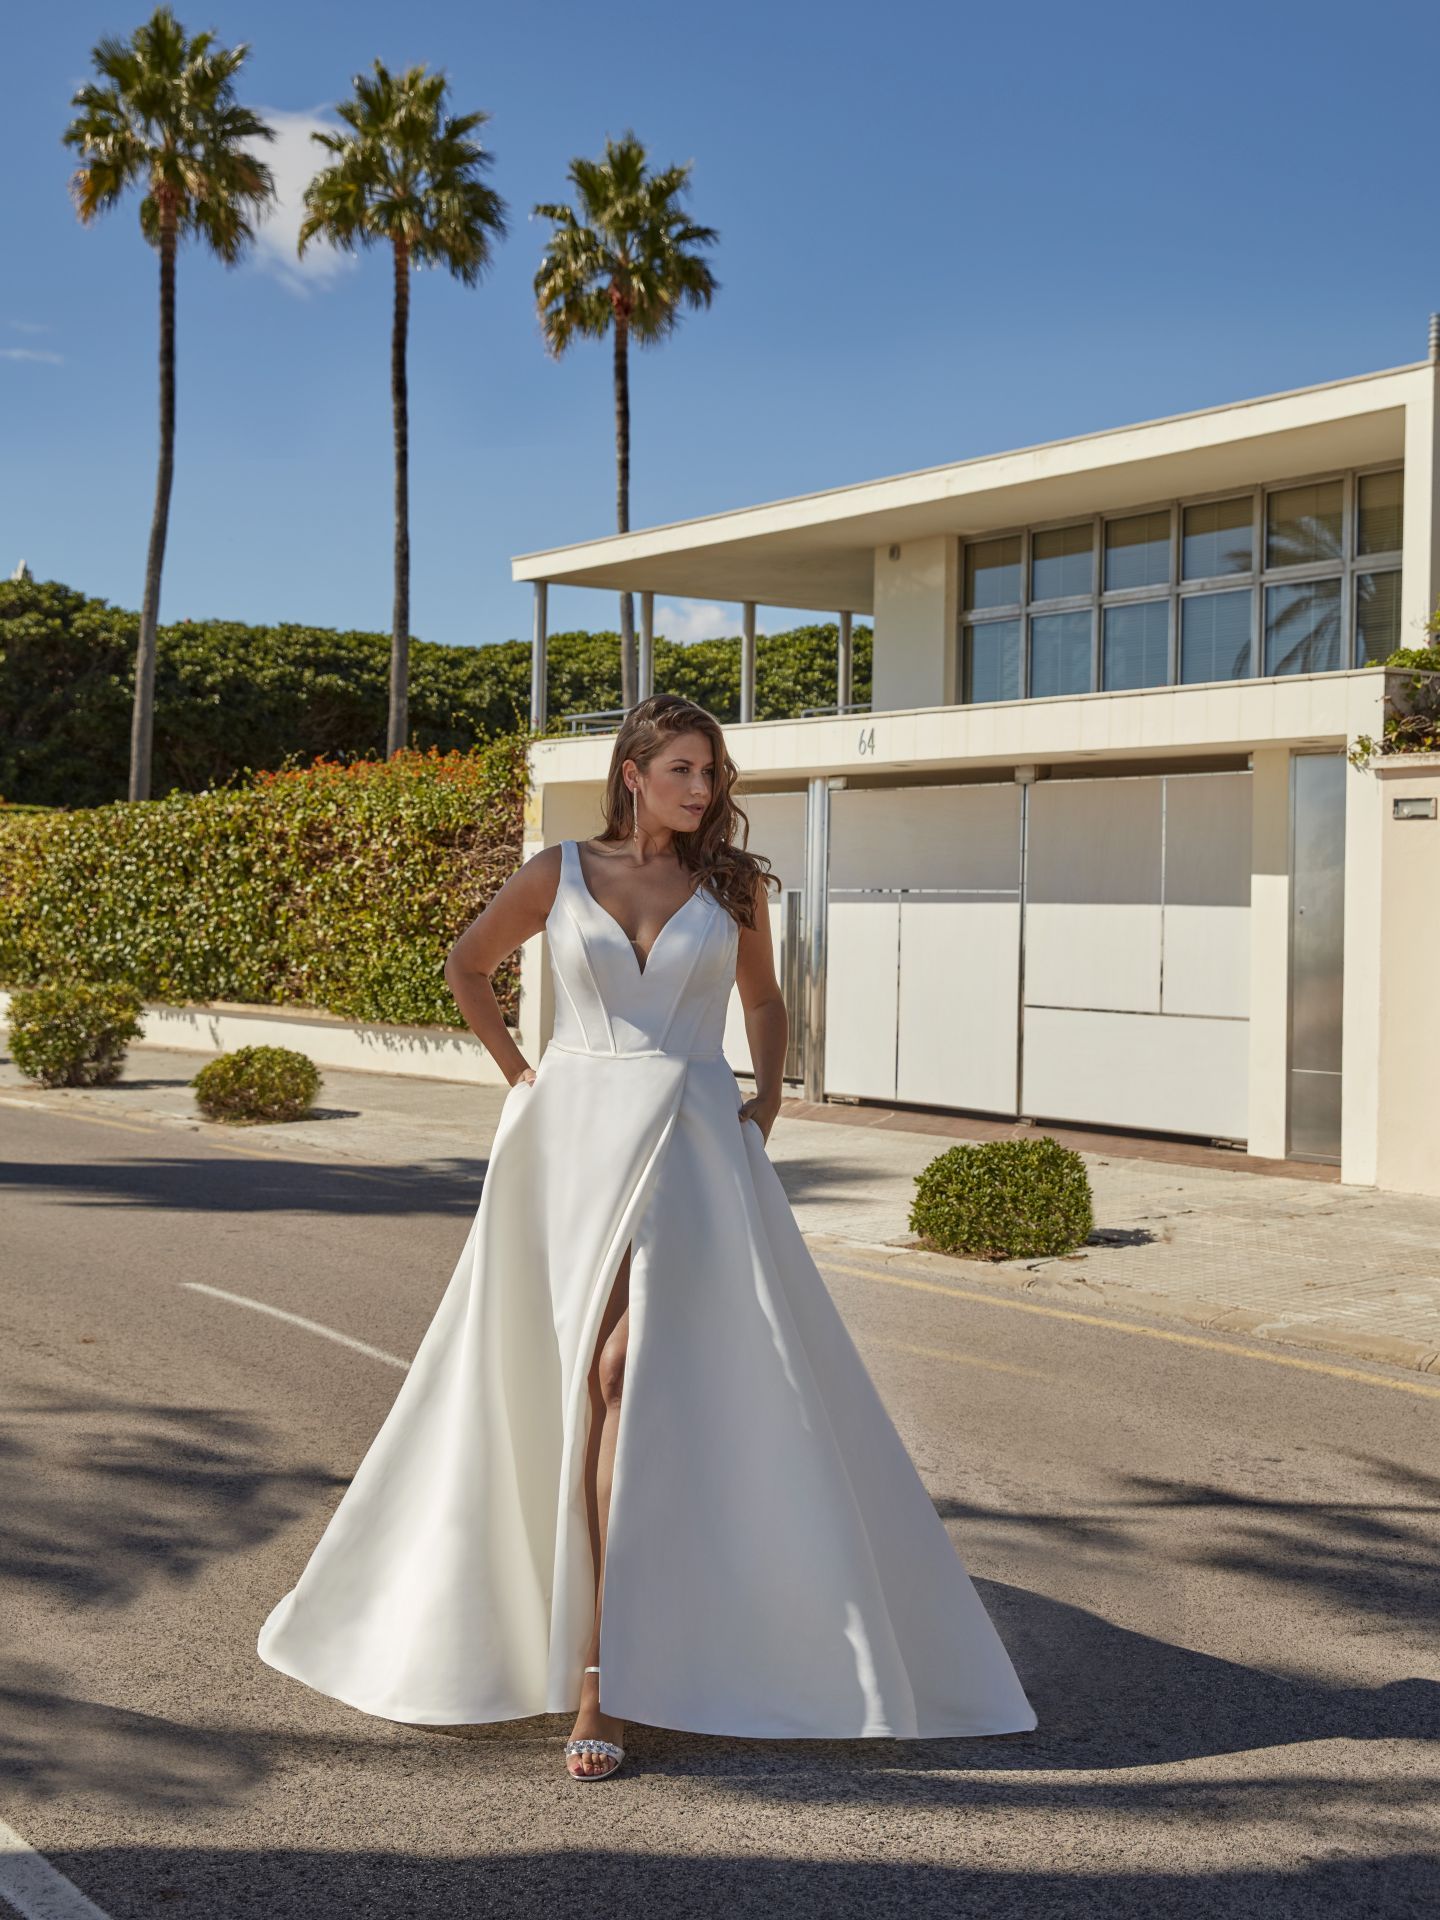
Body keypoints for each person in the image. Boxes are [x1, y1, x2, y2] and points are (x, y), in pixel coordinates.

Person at [256, 693, 1036, 1780]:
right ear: (632, 772)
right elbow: (466, 966)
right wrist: (525, 1079)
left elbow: (766, 1001)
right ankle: (559, 1637)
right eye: (682, 769)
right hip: (567, 1143)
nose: (702, 790)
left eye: (711, 773)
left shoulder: (733, 885)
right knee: (562, 1379)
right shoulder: (557, 871)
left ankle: (600, 1677)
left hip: (690, 1144)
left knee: (627, 1371)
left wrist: (767, 1098)